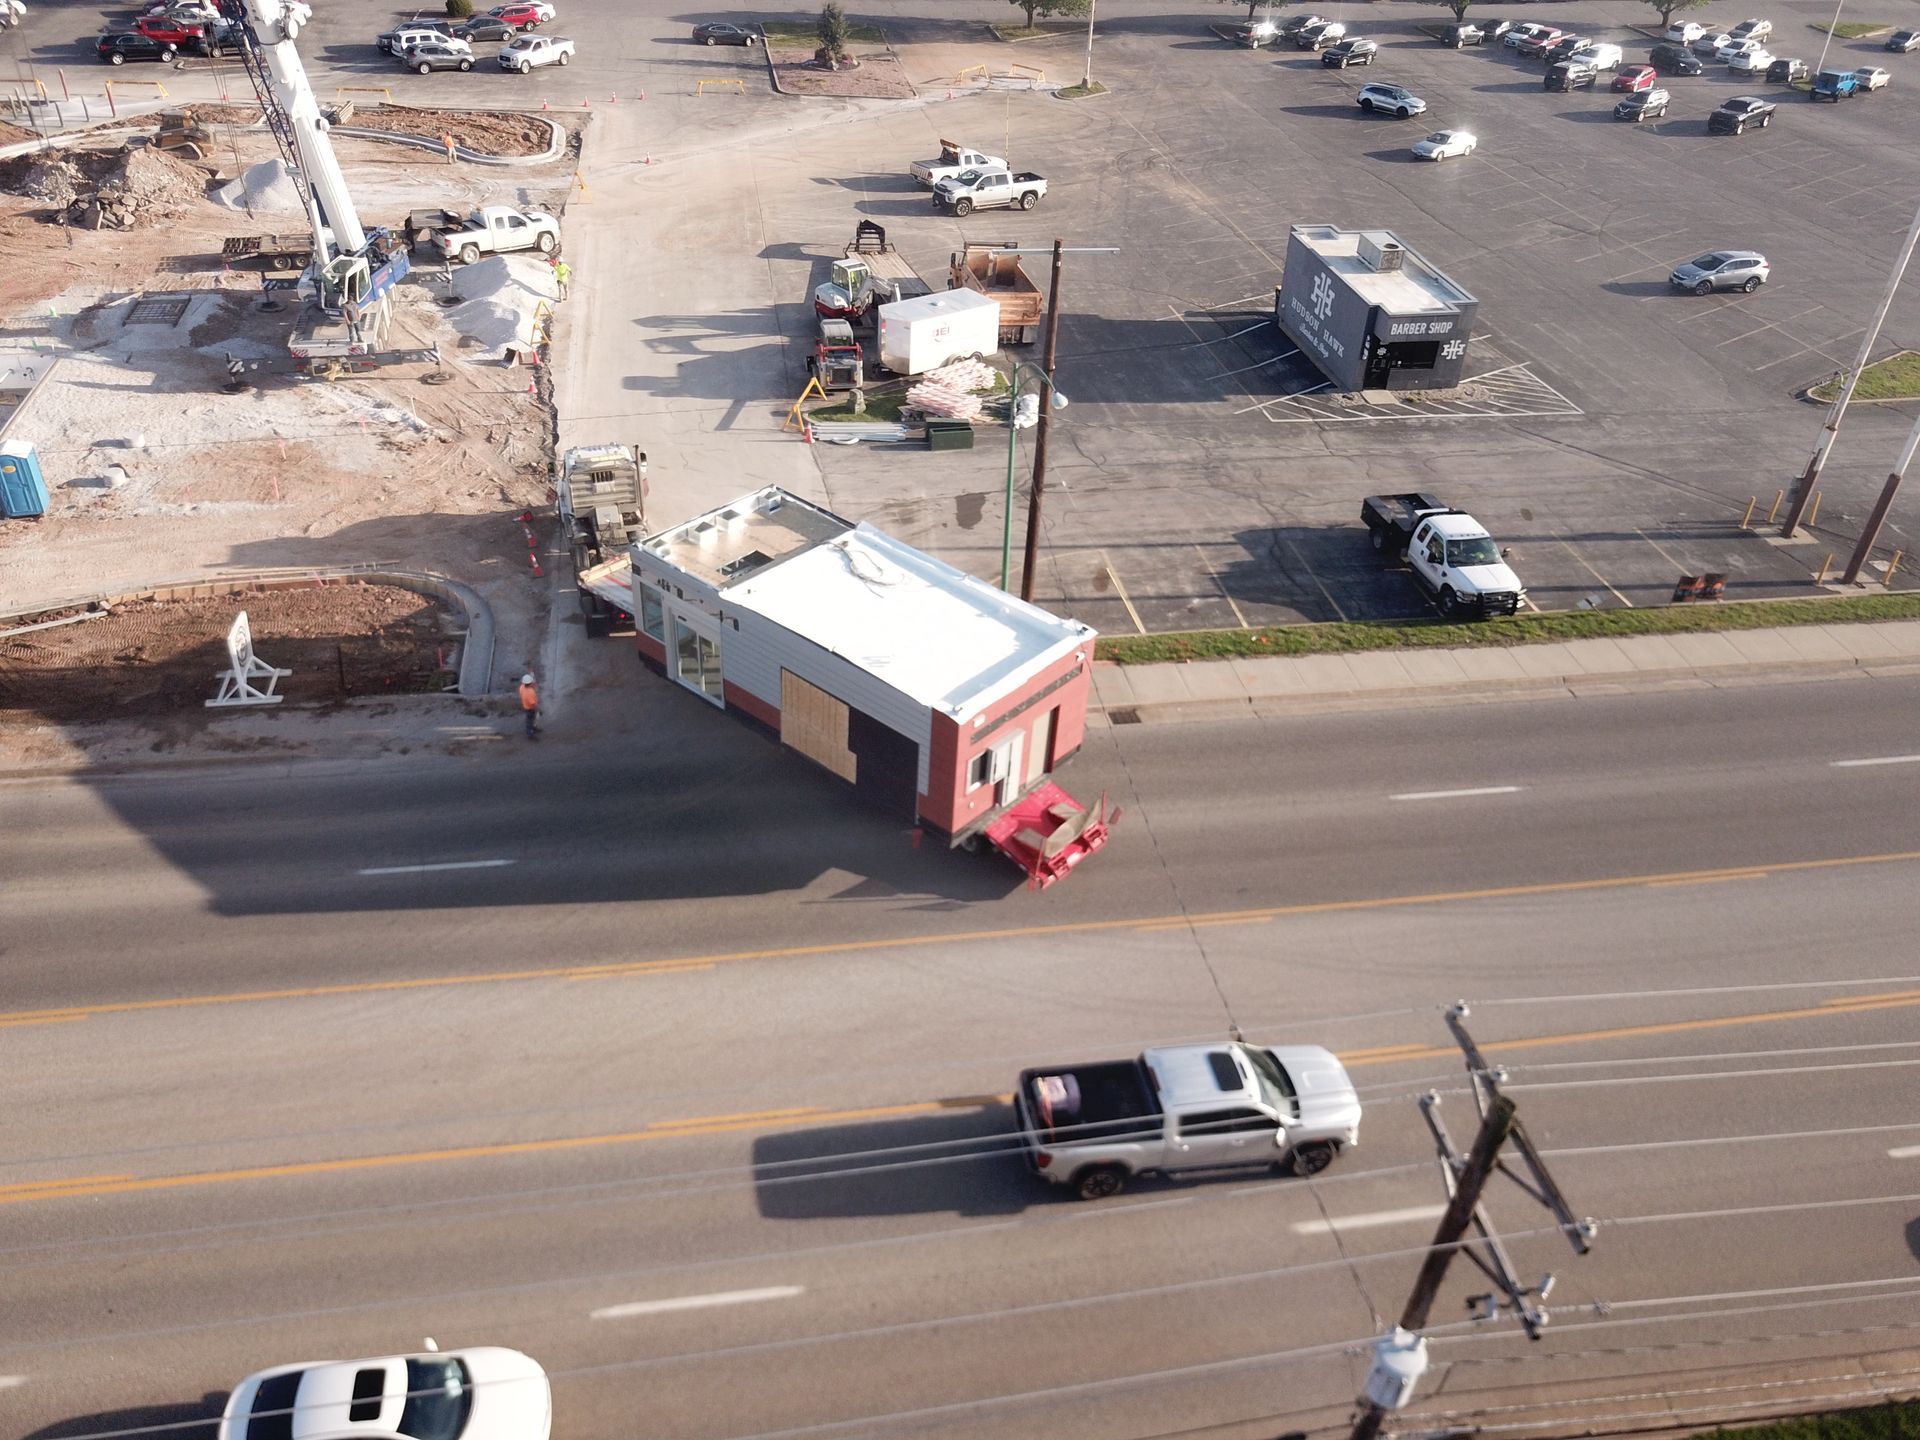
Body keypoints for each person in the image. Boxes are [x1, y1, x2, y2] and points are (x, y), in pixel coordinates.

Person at [518, 672, 541, 739]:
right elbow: (533, 704)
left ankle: (532, 729)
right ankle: (530, 734)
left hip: (526, 706)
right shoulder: (530, 692)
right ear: (530, 683)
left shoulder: (521, 687)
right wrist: (539, 710)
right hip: (530, 709)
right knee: (530, 721)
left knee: (530, 720)